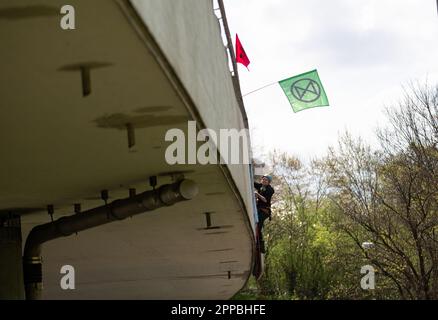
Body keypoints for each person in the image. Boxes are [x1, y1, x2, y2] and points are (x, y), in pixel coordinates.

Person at [254, 175, 274, 253]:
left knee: (258, 224)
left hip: (265, 211)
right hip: (259, 209)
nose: (264, 181)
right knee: (257, 225)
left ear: (269, 182)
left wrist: (257, 194)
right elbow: (252, 183)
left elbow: (265, 200)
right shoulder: (260, 186)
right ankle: (259, 244)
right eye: (263, 179)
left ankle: (260, 245)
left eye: (266, 180)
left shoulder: (270, 189)